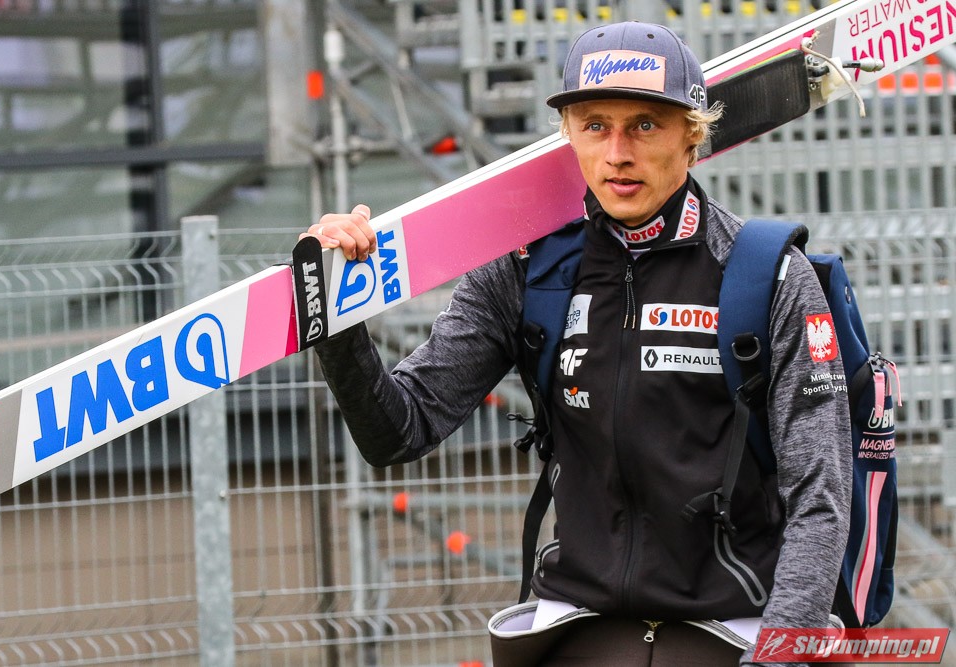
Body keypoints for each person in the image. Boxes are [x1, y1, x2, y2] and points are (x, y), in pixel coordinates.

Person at [304, 21, 851, 666]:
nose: (617, 153)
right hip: (578, 626)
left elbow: (820, 498)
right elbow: (399, 431)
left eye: (644, 125)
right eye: (595, 125)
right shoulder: (525, 270)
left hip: (730, 632)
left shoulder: (767, 276)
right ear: (568, 134)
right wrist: (334, 312)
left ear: (693, 134)